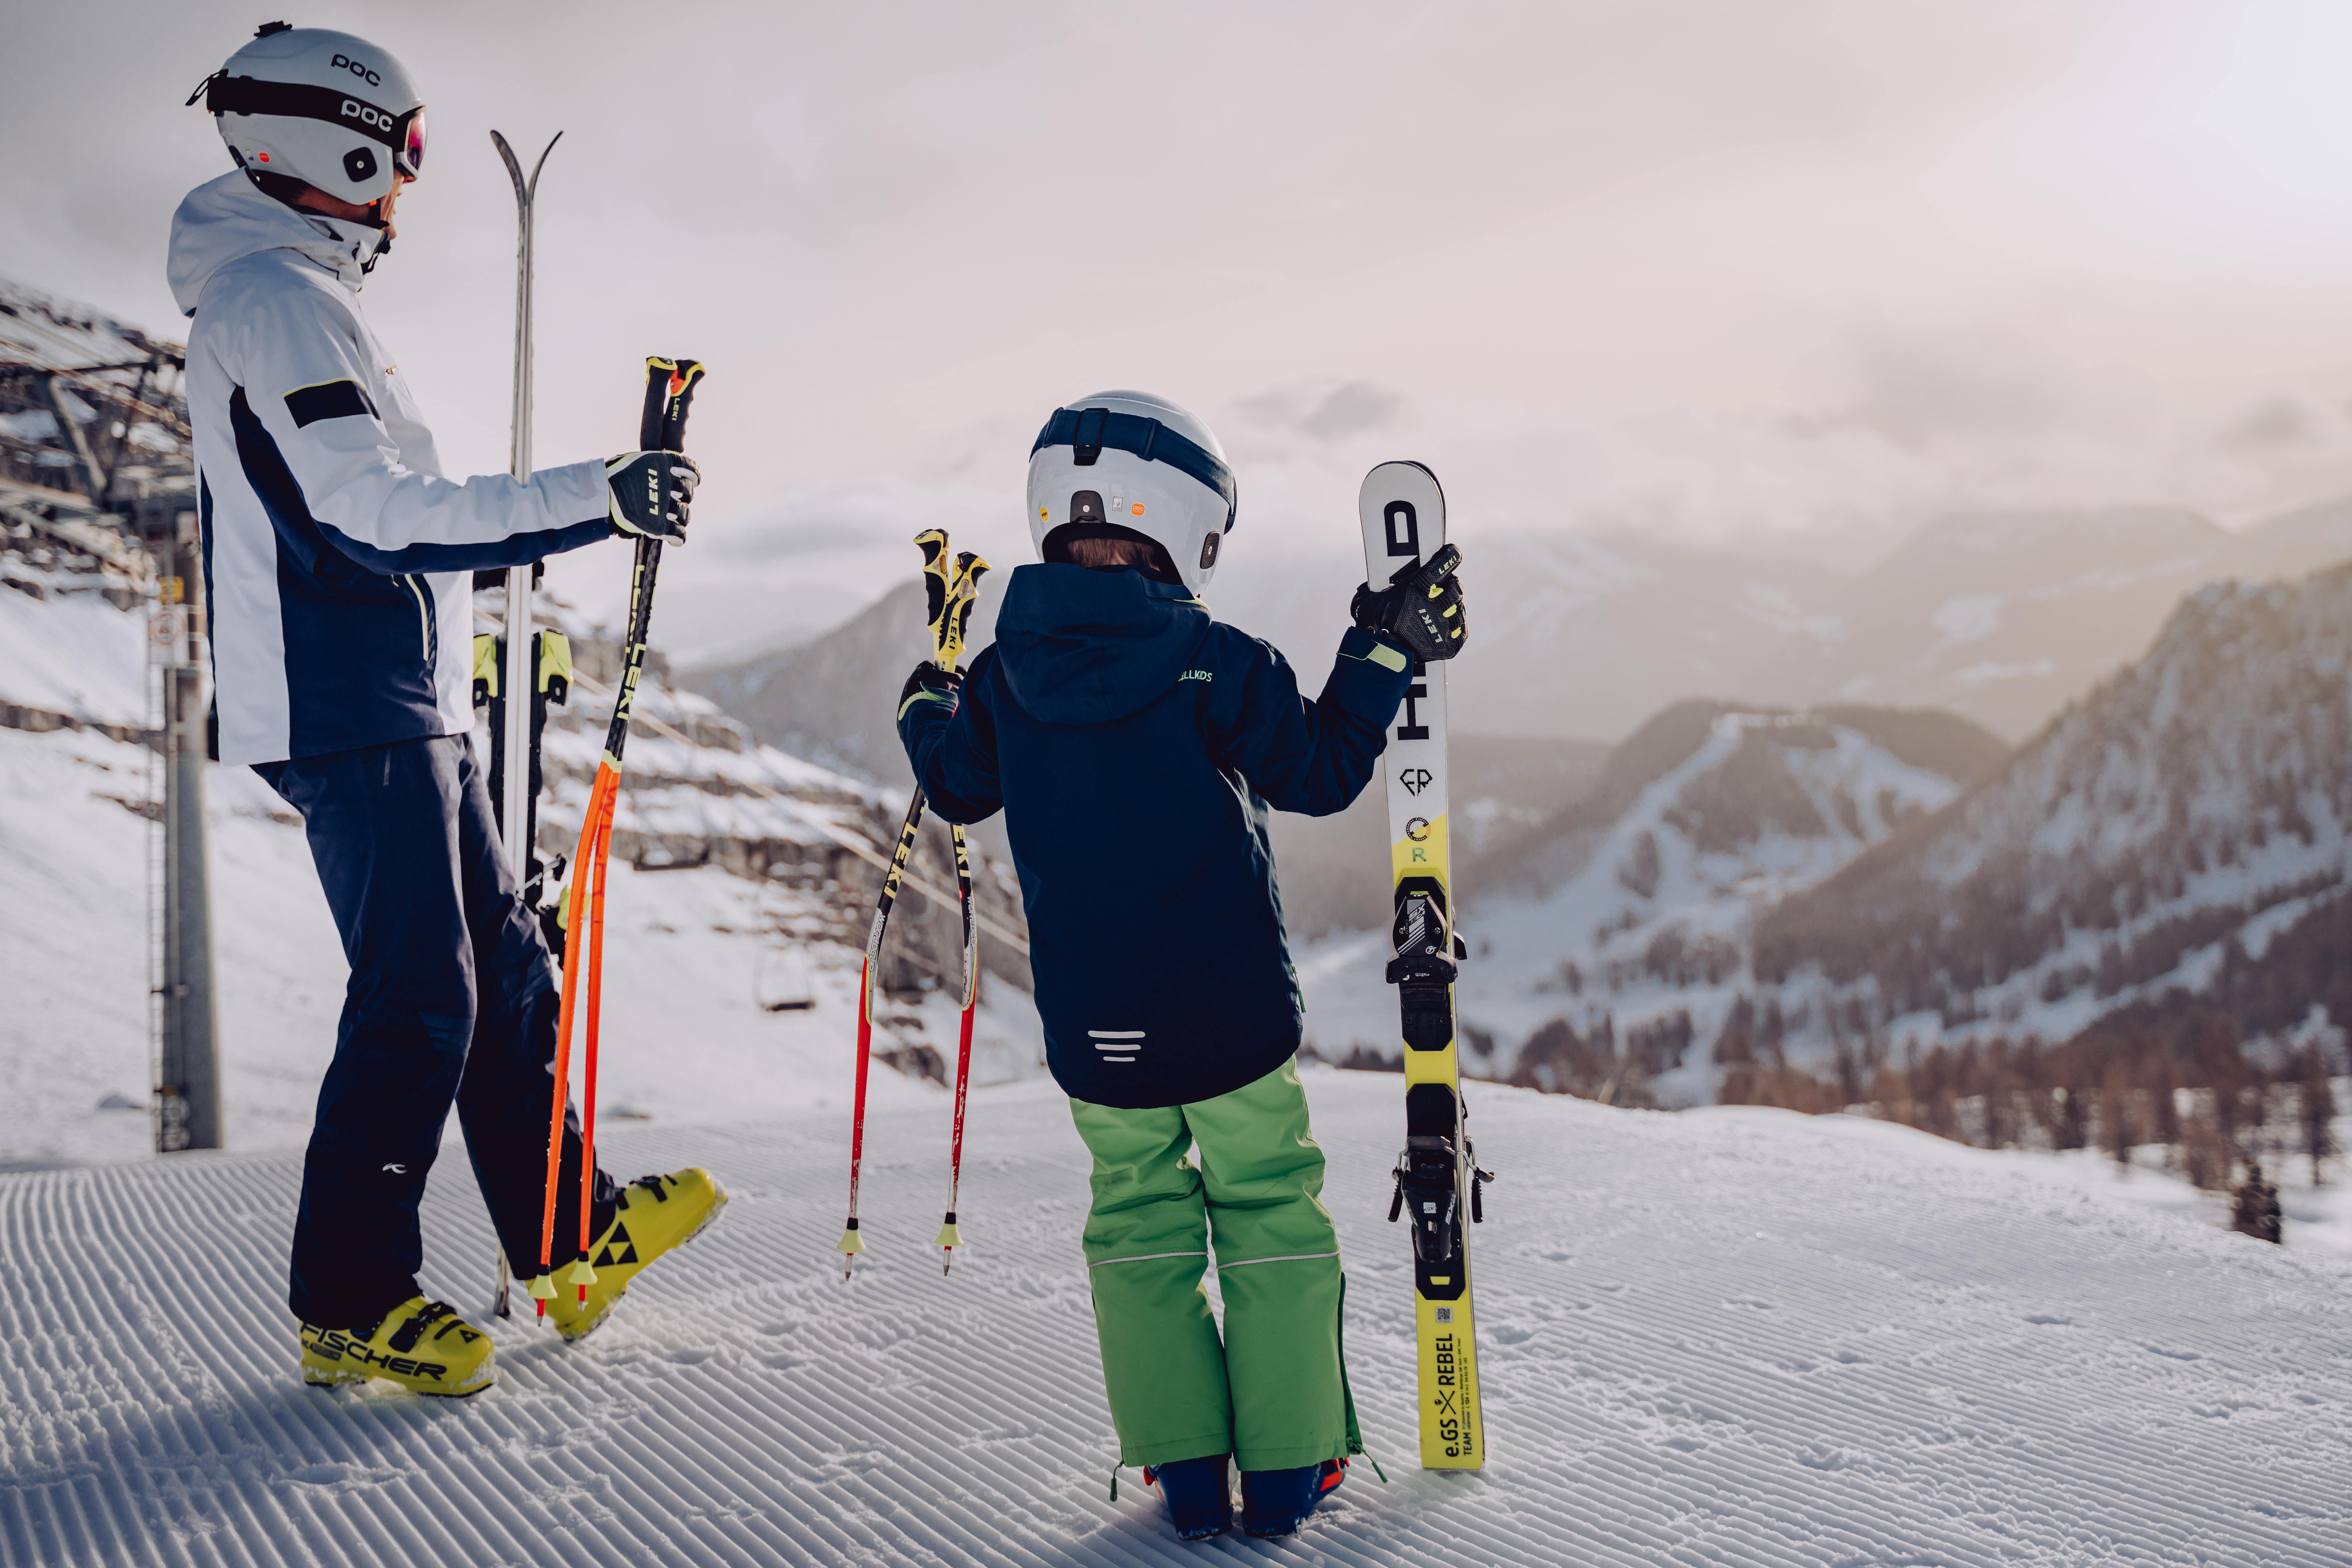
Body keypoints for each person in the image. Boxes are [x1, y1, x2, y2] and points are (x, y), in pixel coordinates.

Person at [170, 23, 724, 1397]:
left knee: (505, 967)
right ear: (337, 145)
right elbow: (371, 511)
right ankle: (351, 1299)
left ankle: (571, 1236)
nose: (409, 182)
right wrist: (594, 499)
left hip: (398, 693)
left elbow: (366, 512)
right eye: (402, 152)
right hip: (344, 700)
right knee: (421, 995)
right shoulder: (277, 301)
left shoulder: (303, 293)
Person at [896, 390, 1469, 1537]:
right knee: (1267, 1211)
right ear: (1183, 520)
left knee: (1137, 1223)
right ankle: (1292, 1468)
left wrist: (925, 698)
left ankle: (1189, 1471)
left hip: (1094, 1032)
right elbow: (1320, 772)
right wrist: (1385, 646)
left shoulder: (1003, 678)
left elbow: (954, 784)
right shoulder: (1215, 661)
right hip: (1230, 1019)